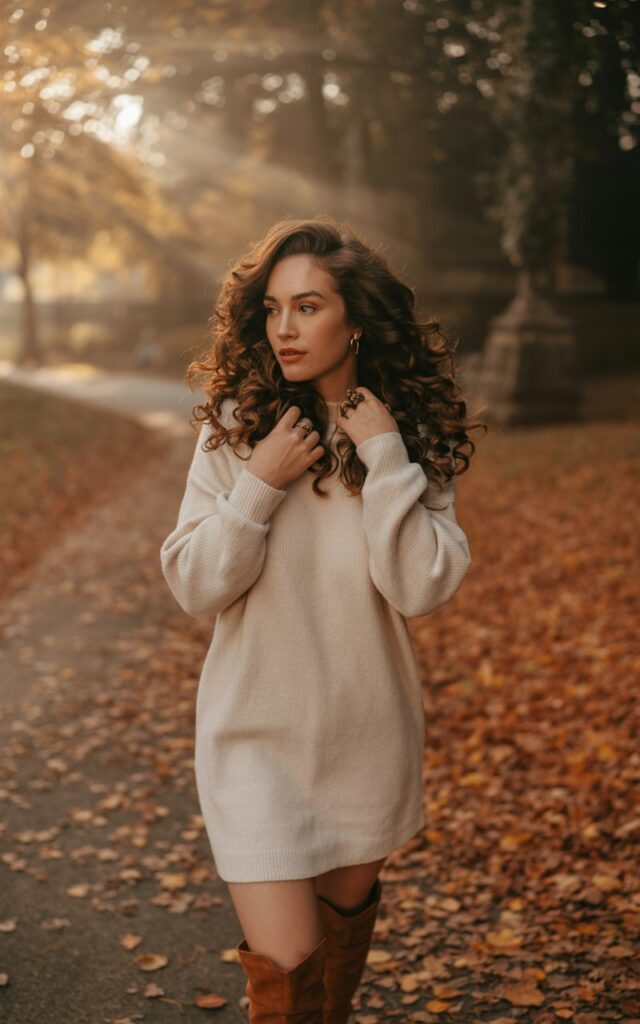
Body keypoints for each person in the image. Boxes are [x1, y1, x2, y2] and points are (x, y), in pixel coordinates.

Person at [159, 216, 485, 1023]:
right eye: (273, 309)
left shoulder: (406, 438)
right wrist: (259, 483)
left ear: (356, 320)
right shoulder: (237, 427)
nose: (284, 329)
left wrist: (386, 456)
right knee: (287, 976)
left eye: (307, 307)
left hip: (364, 739)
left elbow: (421, 585)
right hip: (252, 738)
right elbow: (195, 584)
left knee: (329, 987)